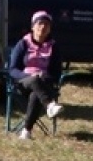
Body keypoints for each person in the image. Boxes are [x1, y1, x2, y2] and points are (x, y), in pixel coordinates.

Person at [7, 10, 64, 139]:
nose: (43, 27)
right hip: (24, 83)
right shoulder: (23, 44)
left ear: (50, 29)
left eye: (46, 25)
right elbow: (12, 69)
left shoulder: (53, 47)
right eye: (40, 24)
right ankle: (49, 105)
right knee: (34, 80)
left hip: (44, 84)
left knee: (35, 95)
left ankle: (26, 131)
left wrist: (44, 77)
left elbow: (56, 72)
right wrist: (28, 77)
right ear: (33, 26)